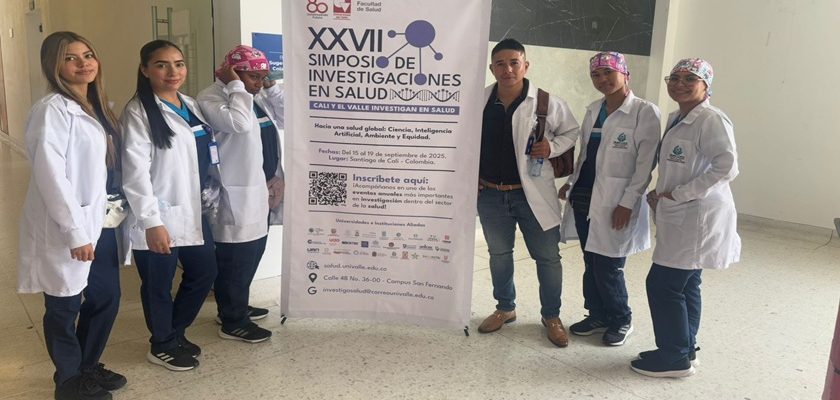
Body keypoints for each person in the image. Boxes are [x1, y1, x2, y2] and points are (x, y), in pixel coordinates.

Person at [18, 31, 126, 400]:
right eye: (70, 58)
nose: (83, 63)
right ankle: (68, 381)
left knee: (106, 297)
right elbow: (50, 175)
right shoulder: (51, 109)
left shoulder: (97, 106)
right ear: (53, 66)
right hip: (68, 225)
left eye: (88, 55)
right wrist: (74, 232)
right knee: (64, 305)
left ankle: (86, 365)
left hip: (102, 220)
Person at [631, 58, 740, 377]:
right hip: (682, 213)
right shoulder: (678, 117)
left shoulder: (711, 119)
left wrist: (679, 194)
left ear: (706, 85)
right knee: (688, 283)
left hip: (697, 216)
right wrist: (662, 191)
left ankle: (674, 357)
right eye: (674, 78)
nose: (679, 84)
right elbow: (682, 165)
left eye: (689, 79)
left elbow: (727, 167)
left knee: (663, 285)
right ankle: (685, 347)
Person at [121, 40, 218, 371]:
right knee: (158, 285)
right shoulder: (138, 112)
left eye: (178, 63)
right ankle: (161, 344)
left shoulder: (189, 104)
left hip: (191, 209)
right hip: (158, 214)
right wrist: (152, 222)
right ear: (145, 70)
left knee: (205, 271)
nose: (173, 71)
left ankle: (174, 331)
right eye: (161, 65)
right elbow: (135, 173)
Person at [476, 38, 579, 347]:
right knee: (498, 254)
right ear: (492, 68)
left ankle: (552, 316)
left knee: (547, 257)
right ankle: (505, 308)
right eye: (500, 64)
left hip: (532, 194)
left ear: (525, 65)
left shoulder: (546, 102)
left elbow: (571, 131)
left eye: (514, 63)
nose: (507, 69)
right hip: (490, 194)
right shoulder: (480, 101)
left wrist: (552, 147)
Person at [558, 51, 660, 346]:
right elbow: (586, 155)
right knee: (591, 260)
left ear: (625, 74)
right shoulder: (594, 110)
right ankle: (597, 314)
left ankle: (621, 318)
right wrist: (571, 183)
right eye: (596, 75)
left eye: (608, 73)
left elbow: (645, 165)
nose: (602, 79)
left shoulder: (644, 112)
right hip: (584, 195)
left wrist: (628, 202)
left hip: (616, 200)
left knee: (609, 265)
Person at [196, 45, 285, 343]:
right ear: (232, 72)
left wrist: (270, 87)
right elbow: (239, 123)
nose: (258, 82)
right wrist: (236, 85)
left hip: (263, 189)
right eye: (253, 76)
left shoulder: (254, 96)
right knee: (236, 259)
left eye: (263, 76)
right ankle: (232, 321)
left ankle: (236, 306)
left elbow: (288, 117)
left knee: (253, 252)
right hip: (235, 194)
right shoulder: (211, 98)